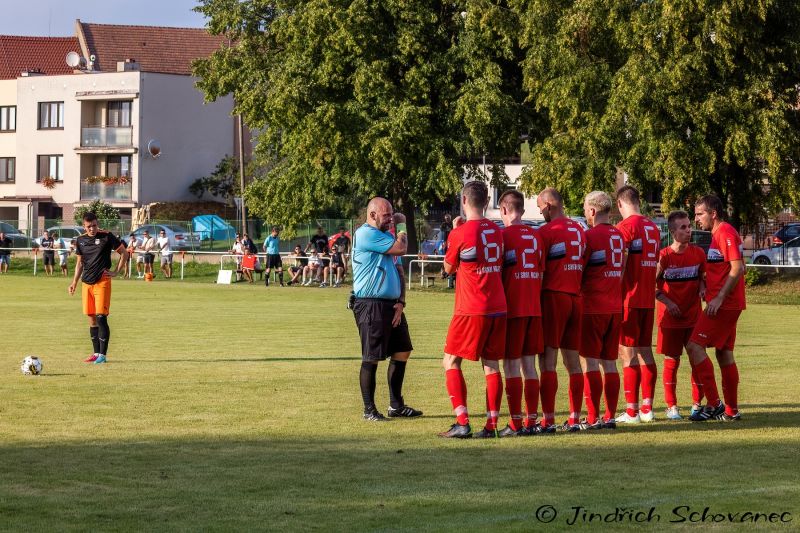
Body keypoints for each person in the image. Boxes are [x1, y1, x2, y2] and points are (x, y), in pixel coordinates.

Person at [440, 181, 506, 439]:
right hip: (498, 306)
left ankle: (462, 422)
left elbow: (448, 269)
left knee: (450, 361)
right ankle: (490, 426)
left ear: (464, 201)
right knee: (491, 366)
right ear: (487, 201)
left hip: (471, 308)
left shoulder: (460, 233)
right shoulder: (497, 231)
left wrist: (454, 233)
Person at [352, 197, 421, 421]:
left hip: (392, 305)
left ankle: (396, 405)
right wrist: (401, 225)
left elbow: (399, 271)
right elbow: (401, 248)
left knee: (402, 351)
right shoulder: (366, 234)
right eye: (386, 215)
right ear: (372, 215)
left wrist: (401, 302)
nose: (391, 218)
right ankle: (369, 409)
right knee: (372, 356)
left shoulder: (385, 237)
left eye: (392, 214)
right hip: (371, 304)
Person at [686, 195, 746, 422]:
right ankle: (731, 411)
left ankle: (714, 404)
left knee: (694, 346)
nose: (696, 219)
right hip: (725, 302)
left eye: (699, 214)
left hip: (724, 304)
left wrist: (719, 297)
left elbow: (737, 267)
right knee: (724, 353)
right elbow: (738, 265)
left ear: (713, 213)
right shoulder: (719, 234)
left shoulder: (725, 232)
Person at [536, 187, 587, 433]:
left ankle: (547, 420)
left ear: (548, 205)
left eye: (540, 207)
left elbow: (539, 268)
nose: (540, 212)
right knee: (573, 362)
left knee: (547, 360)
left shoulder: (547, 232)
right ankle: (575, 419)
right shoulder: (579, 229)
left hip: (554, 297)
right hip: (576, 297)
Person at [497, 189, 545, 436]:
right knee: (529, 365)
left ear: (503, 209)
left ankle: (515, 423)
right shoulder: (537, 237)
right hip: (534, 309)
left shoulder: (503, 236)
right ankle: (532, 421)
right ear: (523, 210)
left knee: (511, 366)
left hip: (513, 309)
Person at [615, 185, 661, 423]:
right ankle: (647, 408)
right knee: (645, 351)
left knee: (627, 353)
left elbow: (620, 264)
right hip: (646, 298)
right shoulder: (653, 228)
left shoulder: (625, 228)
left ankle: (631, 411)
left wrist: (613, 291)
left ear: (620, 204)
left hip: (629, 299)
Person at [580, 191, 625, 430]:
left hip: (593, 307)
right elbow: (623, 267)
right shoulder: (619, 236)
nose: (586, 214)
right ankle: (609, 417)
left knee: (590, 363)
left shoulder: (589, 236)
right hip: (614, 306)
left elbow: (580, 270)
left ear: (593, 211)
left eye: (586, 209)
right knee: (610, 363)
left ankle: (592, 417)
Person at [656, 210, 707, 420]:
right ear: (673, 231)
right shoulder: (664, 256)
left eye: (689, 226)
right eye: (683, 227)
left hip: (694, 317)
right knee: (672, 360)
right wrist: (668, 303)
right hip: (670, 318)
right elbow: (652, 286)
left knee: (697, 360)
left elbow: (703, 277)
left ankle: (697, 404)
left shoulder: (698, 254)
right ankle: (672, 407)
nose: (689, 230)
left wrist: (703, 288)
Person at [68, 212, 129, 364]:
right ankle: (95, 353)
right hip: (86, 283)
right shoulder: (80, 240)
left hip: (102, 281)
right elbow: (80, 263)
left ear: (97, 223)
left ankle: (103, 355)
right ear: (84, 226)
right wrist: (74, 282)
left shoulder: (107, 236)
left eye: (94, 225)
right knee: (91, 318)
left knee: (101, 317)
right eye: (89, 226)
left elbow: (124, 253)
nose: (92, 229)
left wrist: (115, 272)